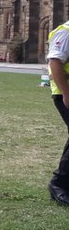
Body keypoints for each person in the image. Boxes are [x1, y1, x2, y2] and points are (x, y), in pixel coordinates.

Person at [46, 22, 69, 205]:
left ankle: (60, 182)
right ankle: (58, 184)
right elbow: (55, 62)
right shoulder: (65, 32)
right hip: (64, 93)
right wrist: (66, 93)